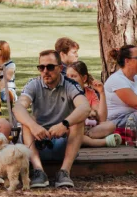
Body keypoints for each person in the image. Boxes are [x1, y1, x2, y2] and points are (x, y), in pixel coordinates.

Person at [12, 51, 90, 189]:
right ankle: (38, 171)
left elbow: (85, 107)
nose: (45, 71)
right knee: (26, 120)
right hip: (38, 143)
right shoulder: (33, 84)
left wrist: (64, 124)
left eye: (50, 67)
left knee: (78, 120)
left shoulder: (70, 84)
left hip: (63, 143)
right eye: (41, 67)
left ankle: (64, 172)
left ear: (60, 68)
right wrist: (33, 126)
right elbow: (18, 108)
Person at [65, 61, 122, 148]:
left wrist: (102, 93)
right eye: (67, 76)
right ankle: (99, 142)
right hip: (70, 129)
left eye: (73, 76)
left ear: (84, 78)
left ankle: (83, 140)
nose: (69, 79)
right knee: (68, 133)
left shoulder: (90, 92)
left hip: (86, 130)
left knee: (110, 125)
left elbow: (102, 118)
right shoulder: (63, 92)